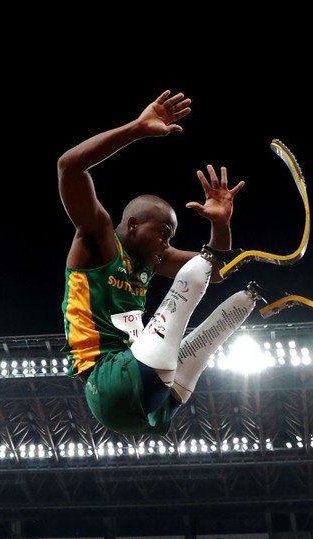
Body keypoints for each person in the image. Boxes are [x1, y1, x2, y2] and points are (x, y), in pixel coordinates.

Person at [58, 89, 270, 436]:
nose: (167, 244)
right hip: (108, 381)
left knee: (203, 336)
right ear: (133, 225)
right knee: (190, 278)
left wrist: (220, 224)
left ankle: (252, 298)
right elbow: (69, 167)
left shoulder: (154, 260)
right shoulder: (97, 239)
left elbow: (217, 271)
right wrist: (137, 129)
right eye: (164, 233)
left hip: (146, 393)